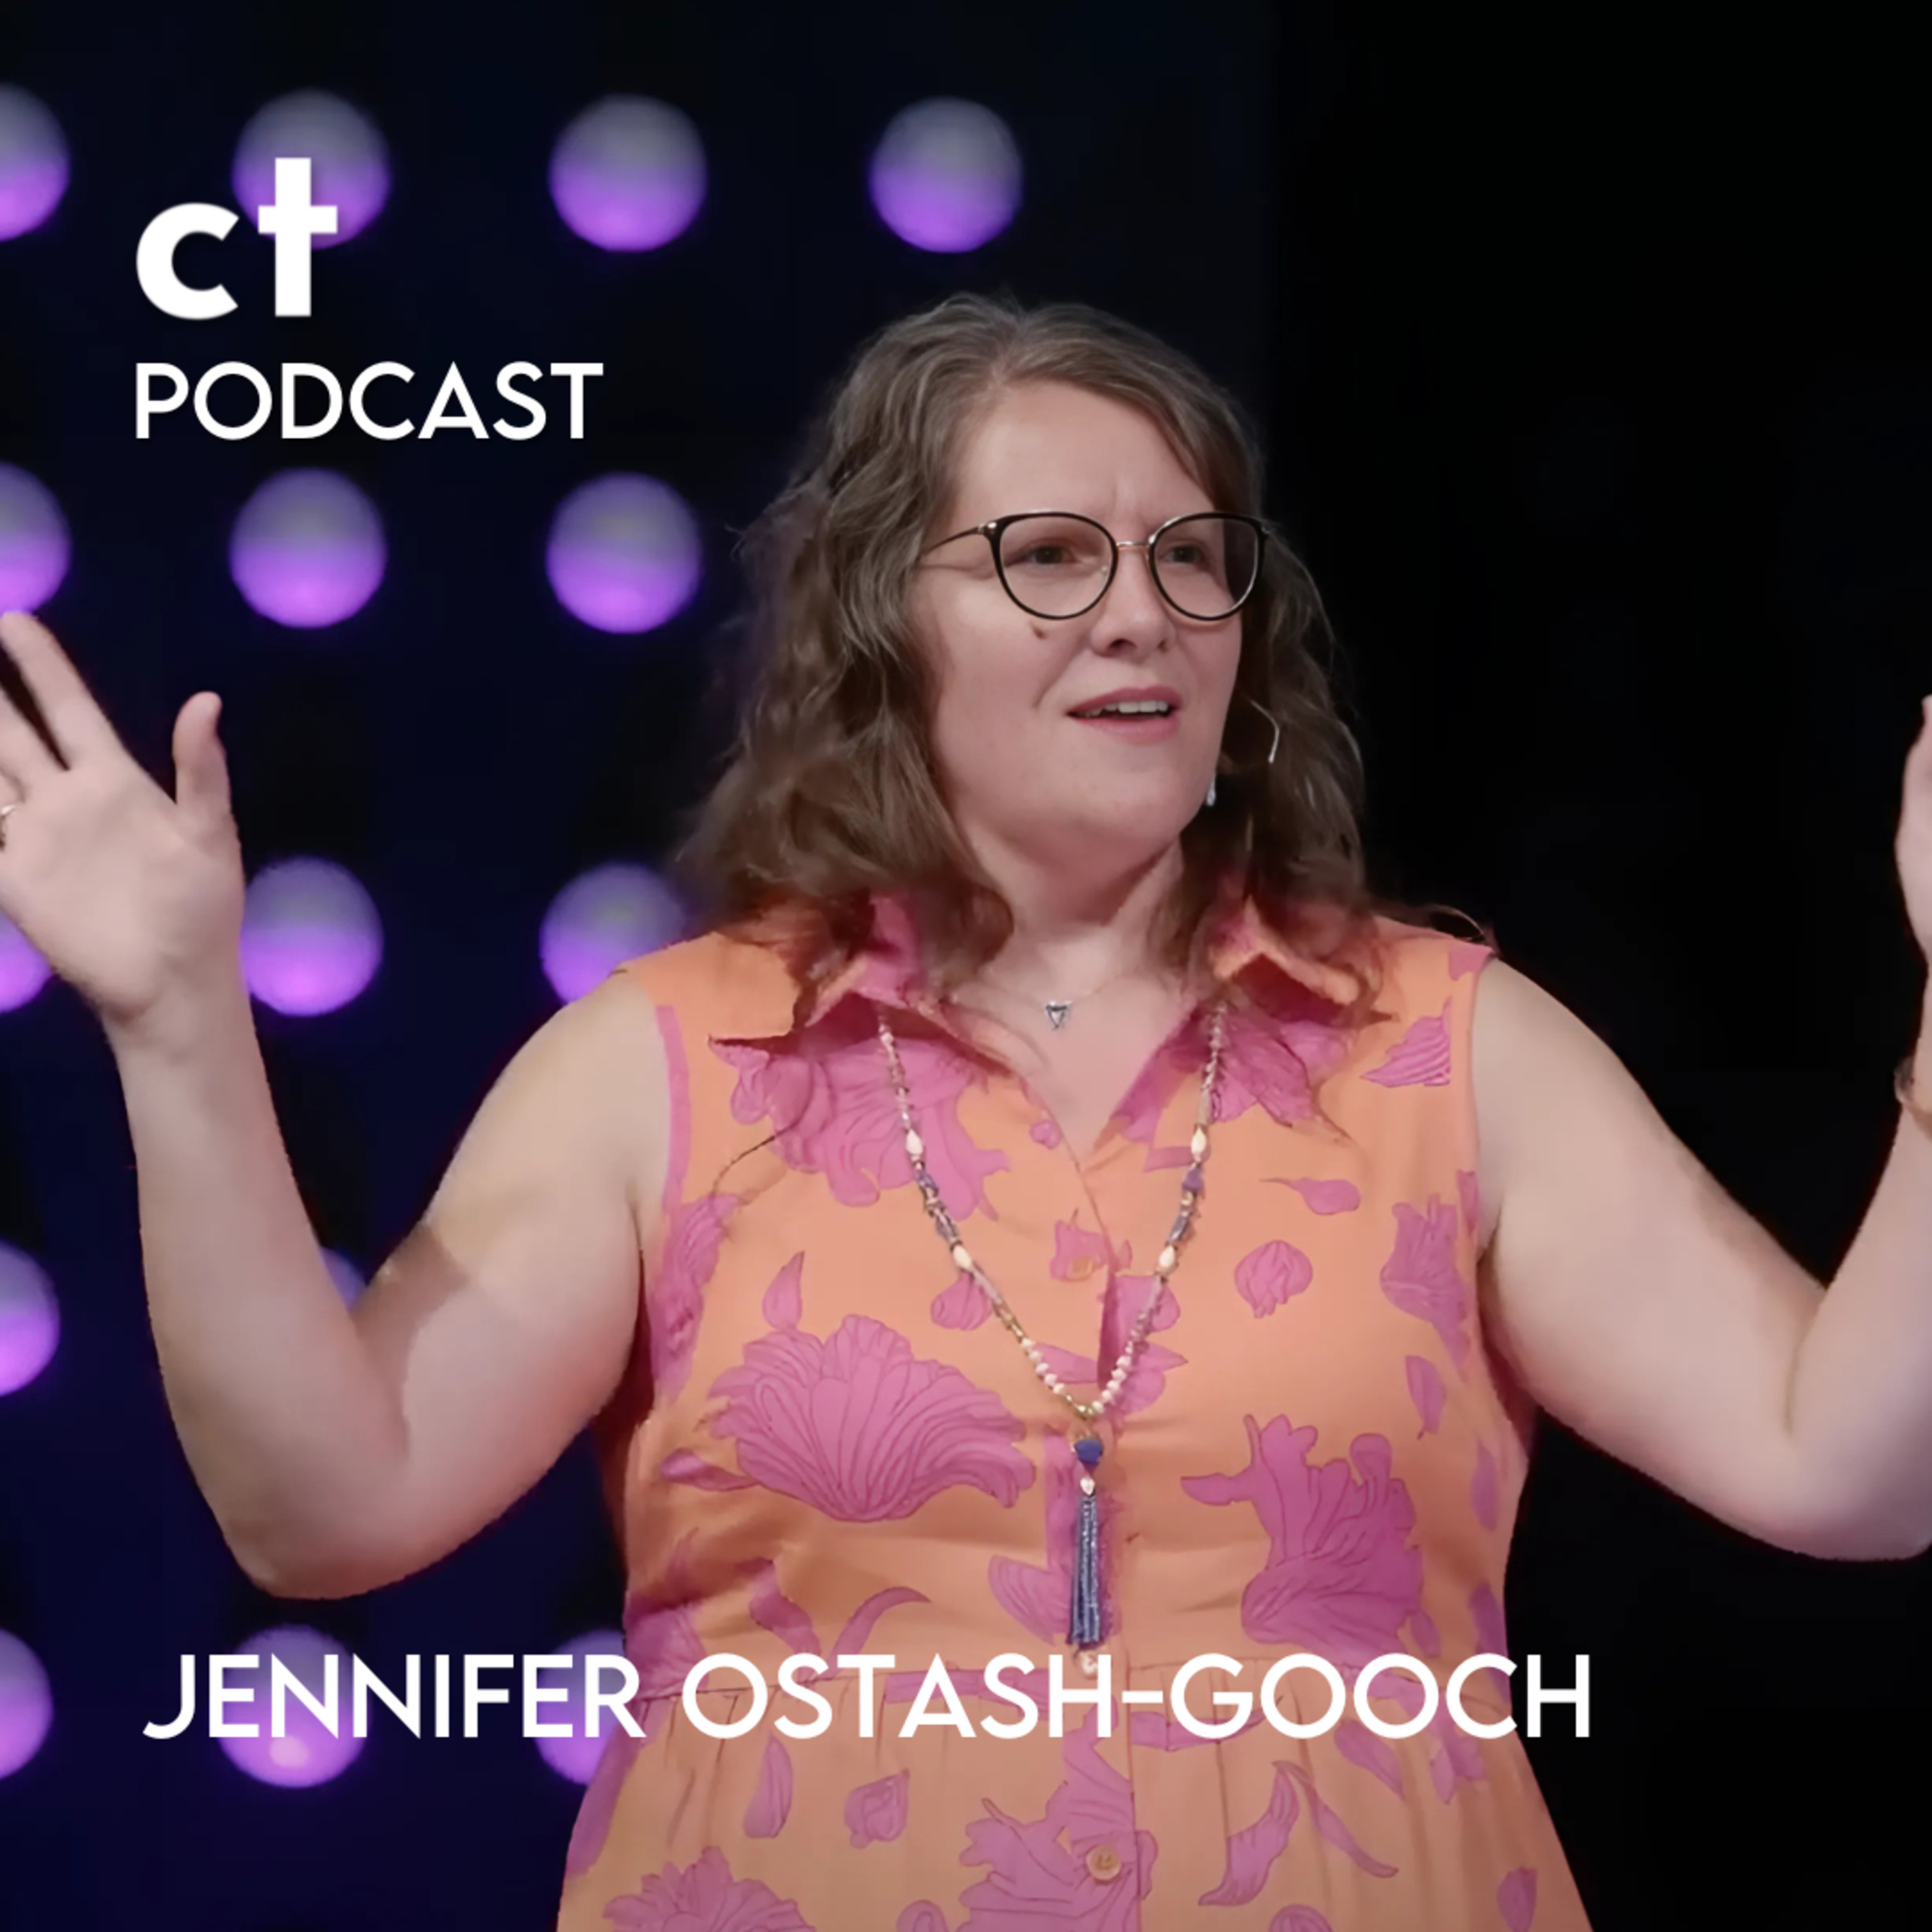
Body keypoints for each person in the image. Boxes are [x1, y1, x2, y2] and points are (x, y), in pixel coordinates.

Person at [4, 293, 1932, 1932]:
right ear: (879, 627)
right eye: (1051, 557)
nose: (1144, 615)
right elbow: (325, 1509)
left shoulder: (1444, 1047)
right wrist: (178, 1027)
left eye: (1194, 560)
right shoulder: (670, 1065)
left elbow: (1849, 1466)